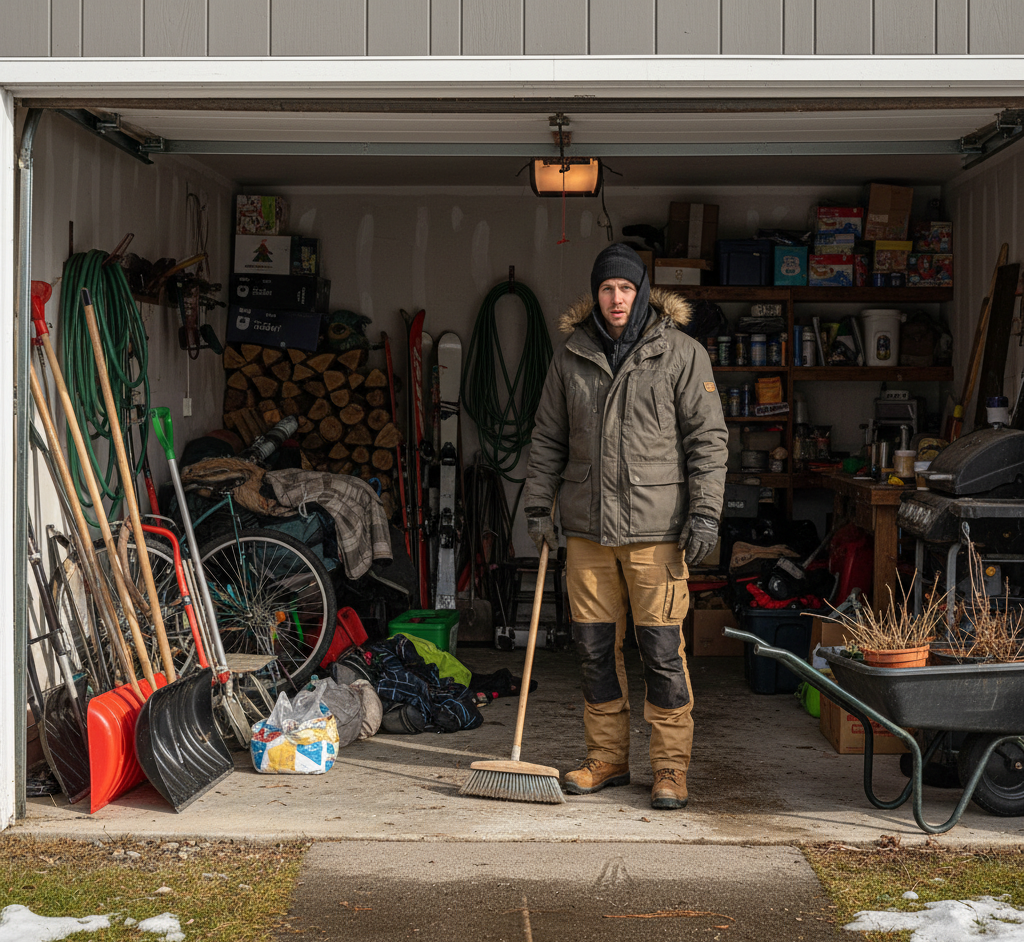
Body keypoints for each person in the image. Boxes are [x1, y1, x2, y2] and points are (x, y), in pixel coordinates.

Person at [523, 243, 728, 810]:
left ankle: (669, 768)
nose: (616, 299)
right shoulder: (570, 355)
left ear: (642, 292)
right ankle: (607, 757)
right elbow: (546, 439)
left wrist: (705, 513)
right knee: (592, 650)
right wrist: (539, 508)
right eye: (607, 289)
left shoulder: (682, 354)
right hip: (588, 531)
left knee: (661, 651)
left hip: (656, 532)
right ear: (596, 294)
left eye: (627, 288)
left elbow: (708, 441)